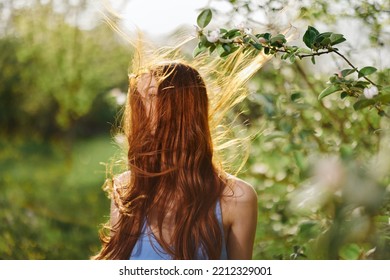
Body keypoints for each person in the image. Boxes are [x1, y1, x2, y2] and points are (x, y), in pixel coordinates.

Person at [93, 61, 258, 260]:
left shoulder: (237, 197)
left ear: (185, 105)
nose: (140, 106)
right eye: (139, 97)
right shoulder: (126, 187)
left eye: (153, 96)